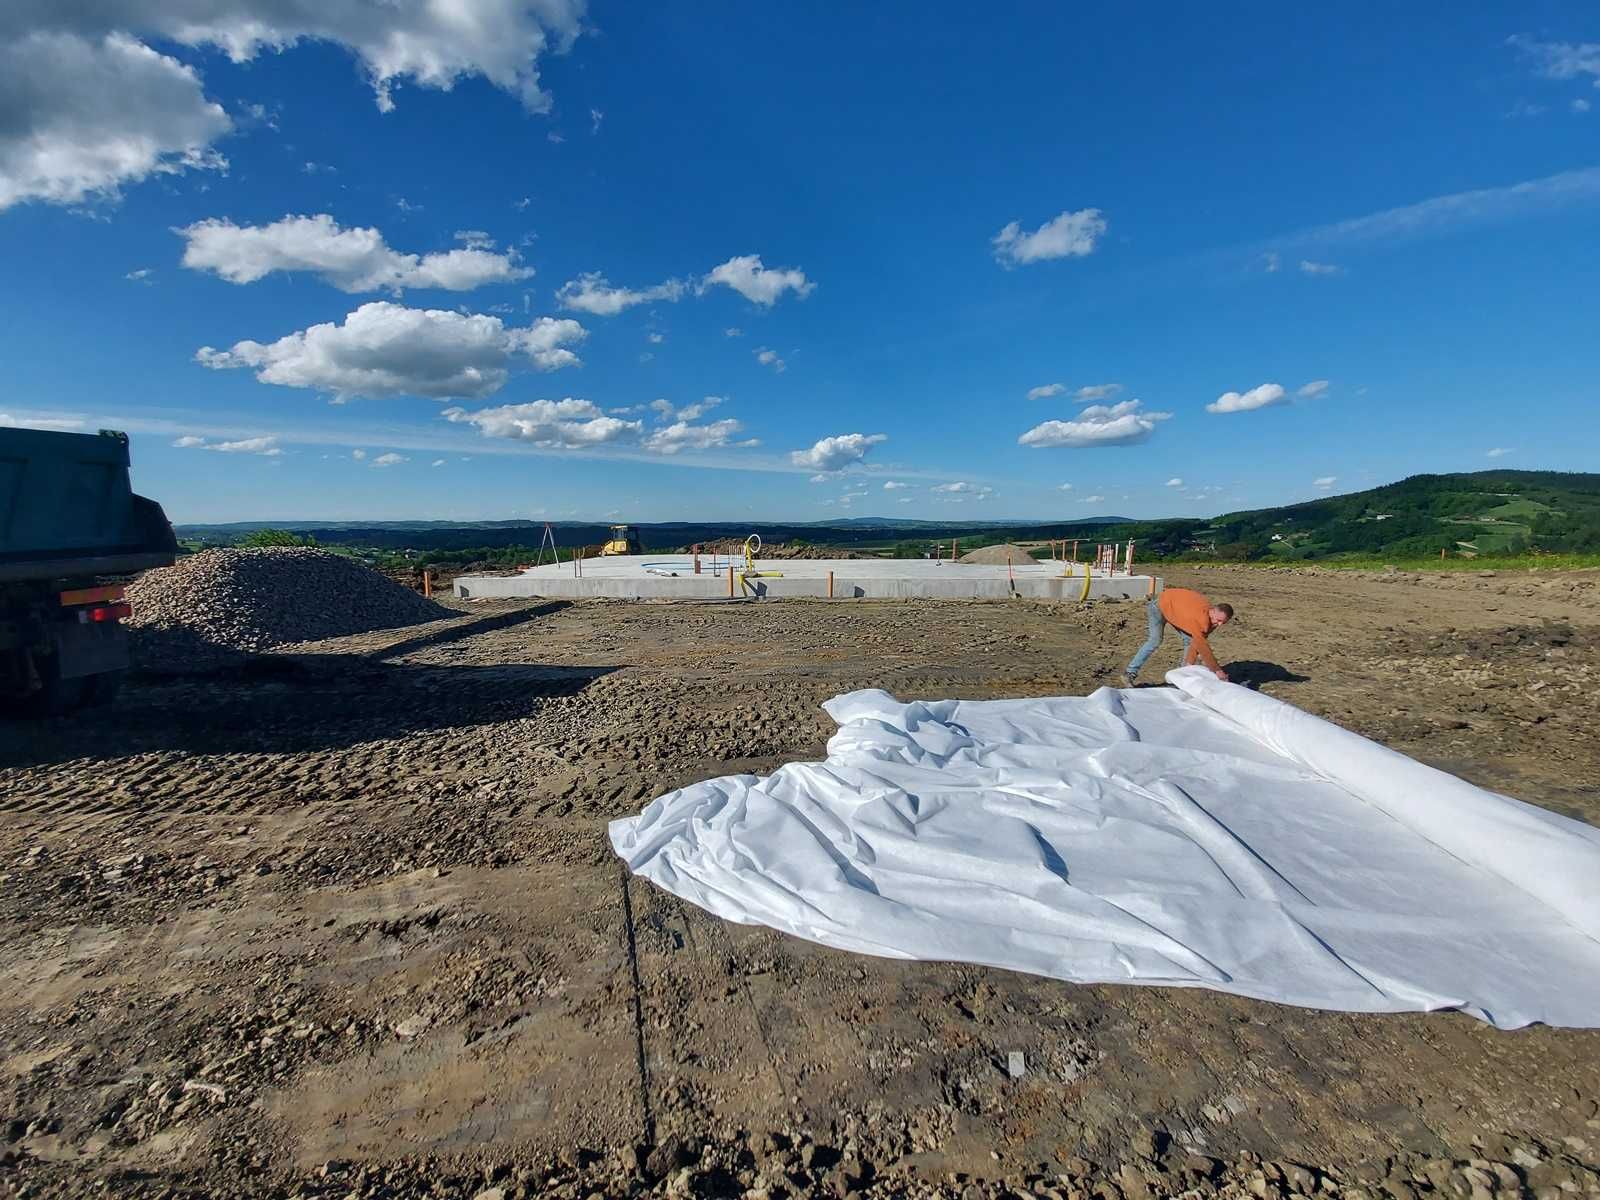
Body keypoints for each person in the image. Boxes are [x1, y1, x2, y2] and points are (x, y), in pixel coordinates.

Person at [1122, 587, 1234, 686]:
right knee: (1155, 640)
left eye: (1223, 622)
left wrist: (1189, 663)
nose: (1219, 624)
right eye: (1218, 620)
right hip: (1160, 606)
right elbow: (1202, 647)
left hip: (1176, 608)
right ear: (1213, 611)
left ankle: (1181, 677)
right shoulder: (1200, 619)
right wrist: (1217, 670)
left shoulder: (1212, 620)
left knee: (1190, 641)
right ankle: (1129, 673)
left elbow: (1196, 642)